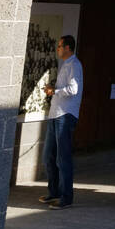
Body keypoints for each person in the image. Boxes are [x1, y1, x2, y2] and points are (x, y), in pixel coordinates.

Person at [39, 35, 83, 209]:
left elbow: (73, 89)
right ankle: (54, 192)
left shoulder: (74, 65)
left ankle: (66, 197)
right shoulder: (66, 65)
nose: (57, 49)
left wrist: (54, 91)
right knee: (48, 156)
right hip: (55, 114)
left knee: (62, 158)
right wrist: (54, 90)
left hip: (65, 115)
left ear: (67, 48)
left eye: (59, 46)